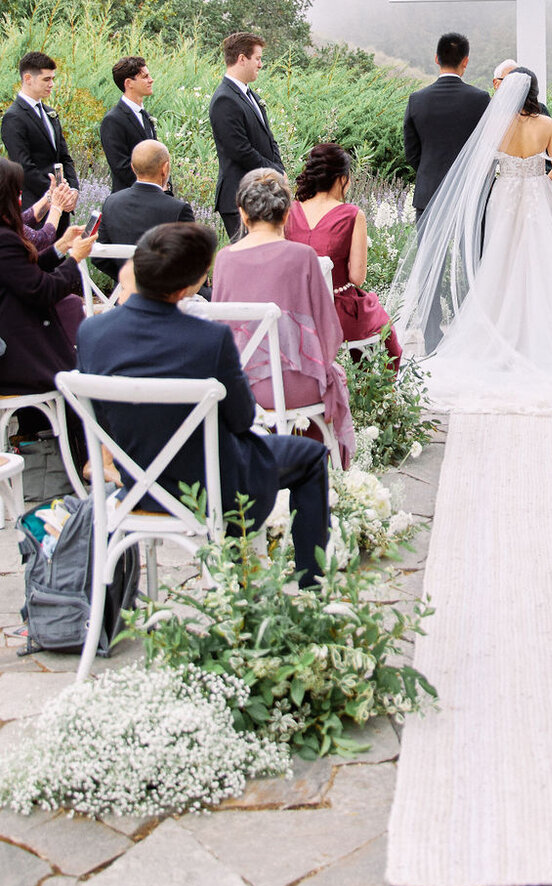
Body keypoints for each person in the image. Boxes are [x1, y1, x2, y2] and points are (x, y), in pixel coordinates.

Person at [76, 221, 331, 585]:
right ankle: (312, 585)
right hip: (213, 490)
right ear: (188, 287)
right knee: (311, 457)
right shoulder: (209, 338)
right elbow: (242, 420)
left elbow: (101, 418)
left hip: (138, 488)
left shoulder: (91, 332)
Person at [389, 67, 552, 413]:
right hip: (537, 201)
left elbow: (479, 166)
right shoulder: (546, 124)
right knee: (543, 265)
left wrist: (509, 180)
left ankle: (497, 337)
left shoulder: (497, 125)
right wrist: (539, 186)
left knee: (500, 264)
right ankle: (542, 339)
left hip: (504, 199)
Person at [212, 171, 355, 467]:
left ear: (242, 212)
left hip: (241, 387)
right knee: (333, 375)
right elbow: (329, 331)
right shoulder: (303, 256)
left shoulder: (224, 259)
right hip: (297, 386)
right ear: (287, 214)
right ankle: (314, 468)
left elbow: (220, 330)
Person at [0, 159, 95, 472]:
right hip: (16, 357)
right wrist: (73, 259)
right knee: (85, 376)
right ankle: (88, 464)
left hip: (12, 348)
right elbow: (40, 290)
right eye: (16, 193)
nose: (19, 199)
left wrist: (59, 248)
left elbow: (21, 275)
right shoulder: (4, 238)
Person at [285, 143, 403, 372]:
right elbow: (357, 277)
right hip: (335, 314)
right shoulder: (352, 214)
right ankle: (371, 390)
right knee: (382, 328)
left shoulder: (289, 212)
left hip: (296, 311)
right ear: (341, 179)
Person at [403, 33, 491, 220]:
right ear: (465, 61)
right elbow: (488, 146)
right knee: (471, 250)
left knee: (429, 250)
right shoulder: (481, 99)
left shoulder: (417, 100)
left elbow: (411, 152)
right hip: (469, 192)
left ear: (436, 58)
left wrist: (431, 170)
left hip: (429, 192)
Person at [209, 32, 285, 240]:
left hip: (259, 194)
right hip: (239, 196)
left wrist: (280, 169)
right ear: (242, 59)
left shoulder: (250, 95)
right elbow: (239, 150)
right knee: (249, 263)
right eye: (258, 58)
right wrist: (274, 172)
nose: (260, 64)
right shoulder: (224, 99)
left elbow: (269, 140)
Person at [1, 51, 79, 231]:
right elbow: (24, 167)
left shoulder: (50, 113)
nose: (52, 84)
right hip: (35, 207)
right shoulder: (14, 117)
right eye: (46, 79)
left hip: (60, 207)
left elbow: (64, 157)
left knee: (61, 257)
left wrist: (73, 190)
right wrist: (58, 194)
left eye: (53, 78)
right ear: (28, 78)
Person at [98, 142, 196, 279]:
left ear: (132, 167)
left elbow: (99, 258)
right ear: (165, 168)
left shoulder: (111, 202)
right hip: (167, 295)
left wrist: (128, 282)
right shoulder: (178, 209)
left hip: (124, 297)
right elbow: (193, 262)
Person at [100, 56, 165, 194]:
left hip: (153, 197)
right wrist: (155, 186)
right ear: (129, 83)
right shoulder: (113, 120)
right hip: (129, 200)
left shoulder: (145, 116)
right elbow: (121, 167)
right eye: (145, 77)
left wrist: (165, 186)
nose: (151, 80)